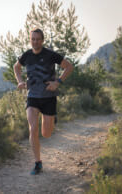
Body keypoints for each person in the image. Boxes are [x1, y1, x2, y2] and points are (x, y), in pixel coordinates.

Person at [13, 28, 74, 175]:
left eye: (38, 39)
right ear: (30, 39)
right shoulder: (26, 55)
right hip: (32, 96)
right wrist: (20, 81)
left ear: (42, 40)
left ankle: (51, 120)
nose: (35, 42)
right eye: (33, 39)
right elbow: (16, 67)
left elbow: (69, 67)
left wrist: (57, 82)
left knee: (46, 133)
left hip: (48, 97)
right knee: (33, 128)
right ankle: (37, 163)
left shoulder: (50, 54)